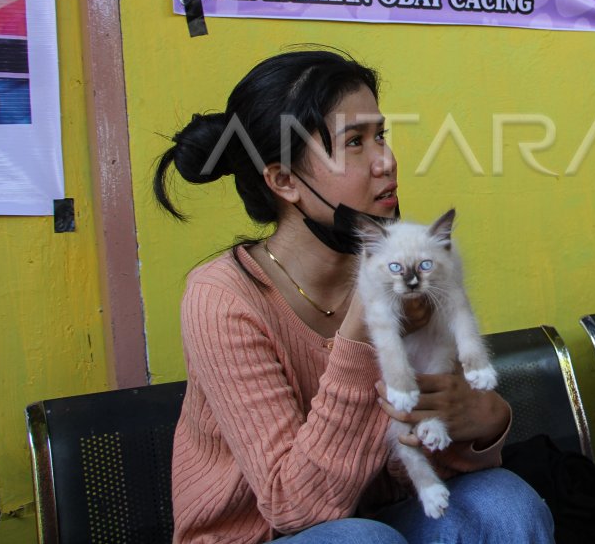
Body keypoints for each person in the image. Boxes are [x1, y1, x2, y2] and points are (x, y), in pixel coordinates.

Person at [153, 49, 554, 544]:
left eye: (381, 135)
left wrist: (485, 421)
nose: (386, 161)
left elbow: (424, 458)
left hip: (382, 516)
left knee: (504, 503)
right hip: (269, 535)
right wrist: (364, 331)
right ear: (283, 181)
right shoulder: (223, 298)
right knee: (361, 541)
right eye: (355, 142)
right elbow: (295, 508)